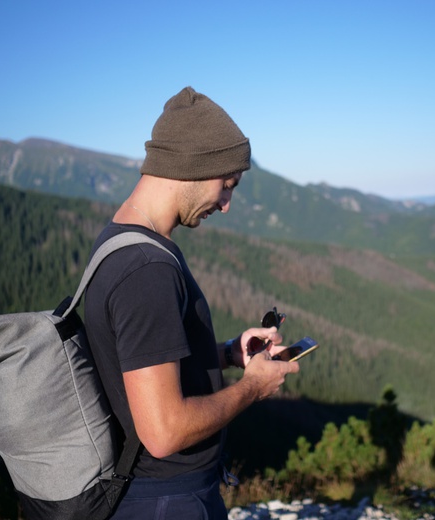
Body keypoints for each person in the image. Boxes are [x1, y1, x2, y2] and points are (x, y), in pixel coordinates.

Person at [84, 86, 300, 519]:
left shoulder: (122, 240)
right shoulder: (146, 269)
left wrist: (225, 354)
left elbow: (142, 365)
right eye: (227, 185)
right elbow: (163, 432)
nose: (225, 205)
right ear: (196, 166)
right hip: (167, 501)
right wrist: (253, 387)